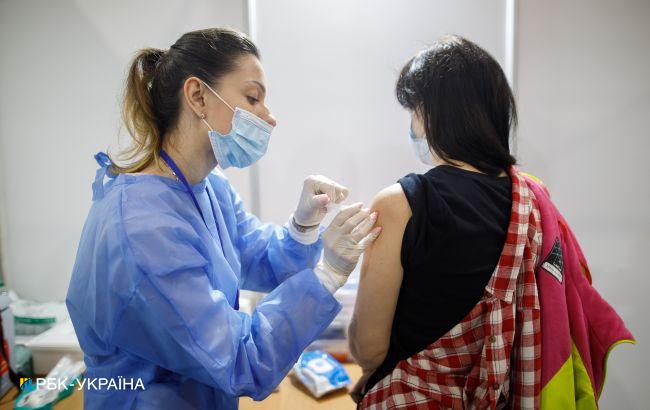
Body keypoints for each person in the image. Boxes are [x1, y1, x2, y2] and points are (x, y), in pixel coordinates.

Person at [66, 28, 381, 409]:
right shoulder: (143, 228)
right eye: (253, 98)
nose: (270, 117)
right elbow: (240, 360)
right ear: (198, 96)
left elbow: (260, 259)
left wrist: (303, 226)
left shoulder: (208, 187)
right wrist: (328, 274)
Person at [348, 35, 523, 407]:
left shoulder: (400, 205)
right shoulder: (529, 202)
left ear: (431, 114)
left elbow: (369, 349)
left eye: (413, 111)